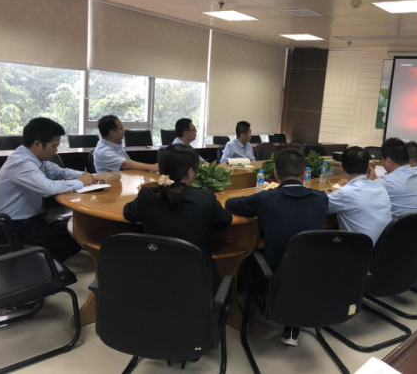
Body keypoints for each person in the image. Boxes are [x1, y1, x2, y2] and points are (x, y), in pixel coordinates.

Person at [225, 148, 328, 347]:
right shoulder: (321, 199)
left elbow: (231, 204)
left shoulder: (266, 198)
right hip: (313, 271)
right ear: (303, 174)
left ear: (275, 175)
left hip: (277, 272)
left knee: (255, 253)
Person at [0, 118, 100, 262]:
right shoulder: (21, 163)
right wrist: (80, 182)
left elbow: (60, 172)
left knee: (77, 232)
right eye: (54, 146)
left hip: (33, 221)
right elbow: (48, 188)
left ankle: (47, 261)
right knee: (70, 241)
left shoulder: (34, 158)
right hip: (12, 228)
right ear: (37, 144)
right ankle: (41, 267)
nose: (56, 150)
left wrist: (88, 176)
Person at [123, 144, 232, 286]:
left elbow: (128, 213)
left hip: (153, 280)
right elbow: (225, 221)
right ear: (190, 172)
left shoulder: (147, 195)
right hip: (198, 282)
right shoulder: (205, 198)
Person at [327, 147, 392, 246]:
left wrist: (337, 188)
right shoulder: (381, 188)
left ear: (341, 167)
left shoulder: (345, 193)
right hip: (383, 249)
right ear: (368, 168)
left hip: (358, 250)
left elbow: (320, 205)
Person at [368, 137, 417, 218]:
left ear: (388, 161)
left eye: (382, 161)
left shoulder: (386, 182)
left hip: (401, 226)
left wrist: (370, 181)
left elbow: (364, 197)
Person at [94, 115, 158, 173]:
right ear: (112, 133)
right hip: (111, 182)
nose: (124, 131)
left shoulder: (114, 144)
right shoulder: (103, 151)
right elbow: (125, 164)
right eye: (121, 128)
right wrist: (152, 167)